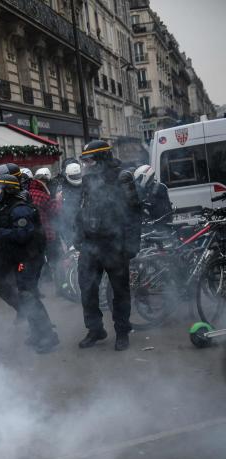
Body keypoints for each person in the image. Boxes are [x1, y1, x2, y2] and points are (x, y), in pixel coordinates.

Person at [0, 173, 60, 354]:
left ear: (8, 190)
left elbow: (22, 235)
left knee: (28, 295)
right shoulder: (4, 206)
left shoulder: (20, 210)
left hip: (28, 257)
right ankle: (33, 323)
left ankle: (47, 336)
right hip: (13, 256)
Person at [74, 140, 142, 351]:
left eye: (89, 160)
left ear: (102, 158)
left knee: (119, 292)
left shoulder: (122, 177)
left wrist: (131, 244)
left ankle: (122, 332)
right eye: (84, 161)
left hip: (114, 243)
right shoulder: (87, 180)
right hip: (90, 244)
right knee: (87, 288)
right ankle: (95, 330)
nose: (86, 164)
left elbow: (134, 213)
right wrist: (78, 235)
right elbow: (81, 209)